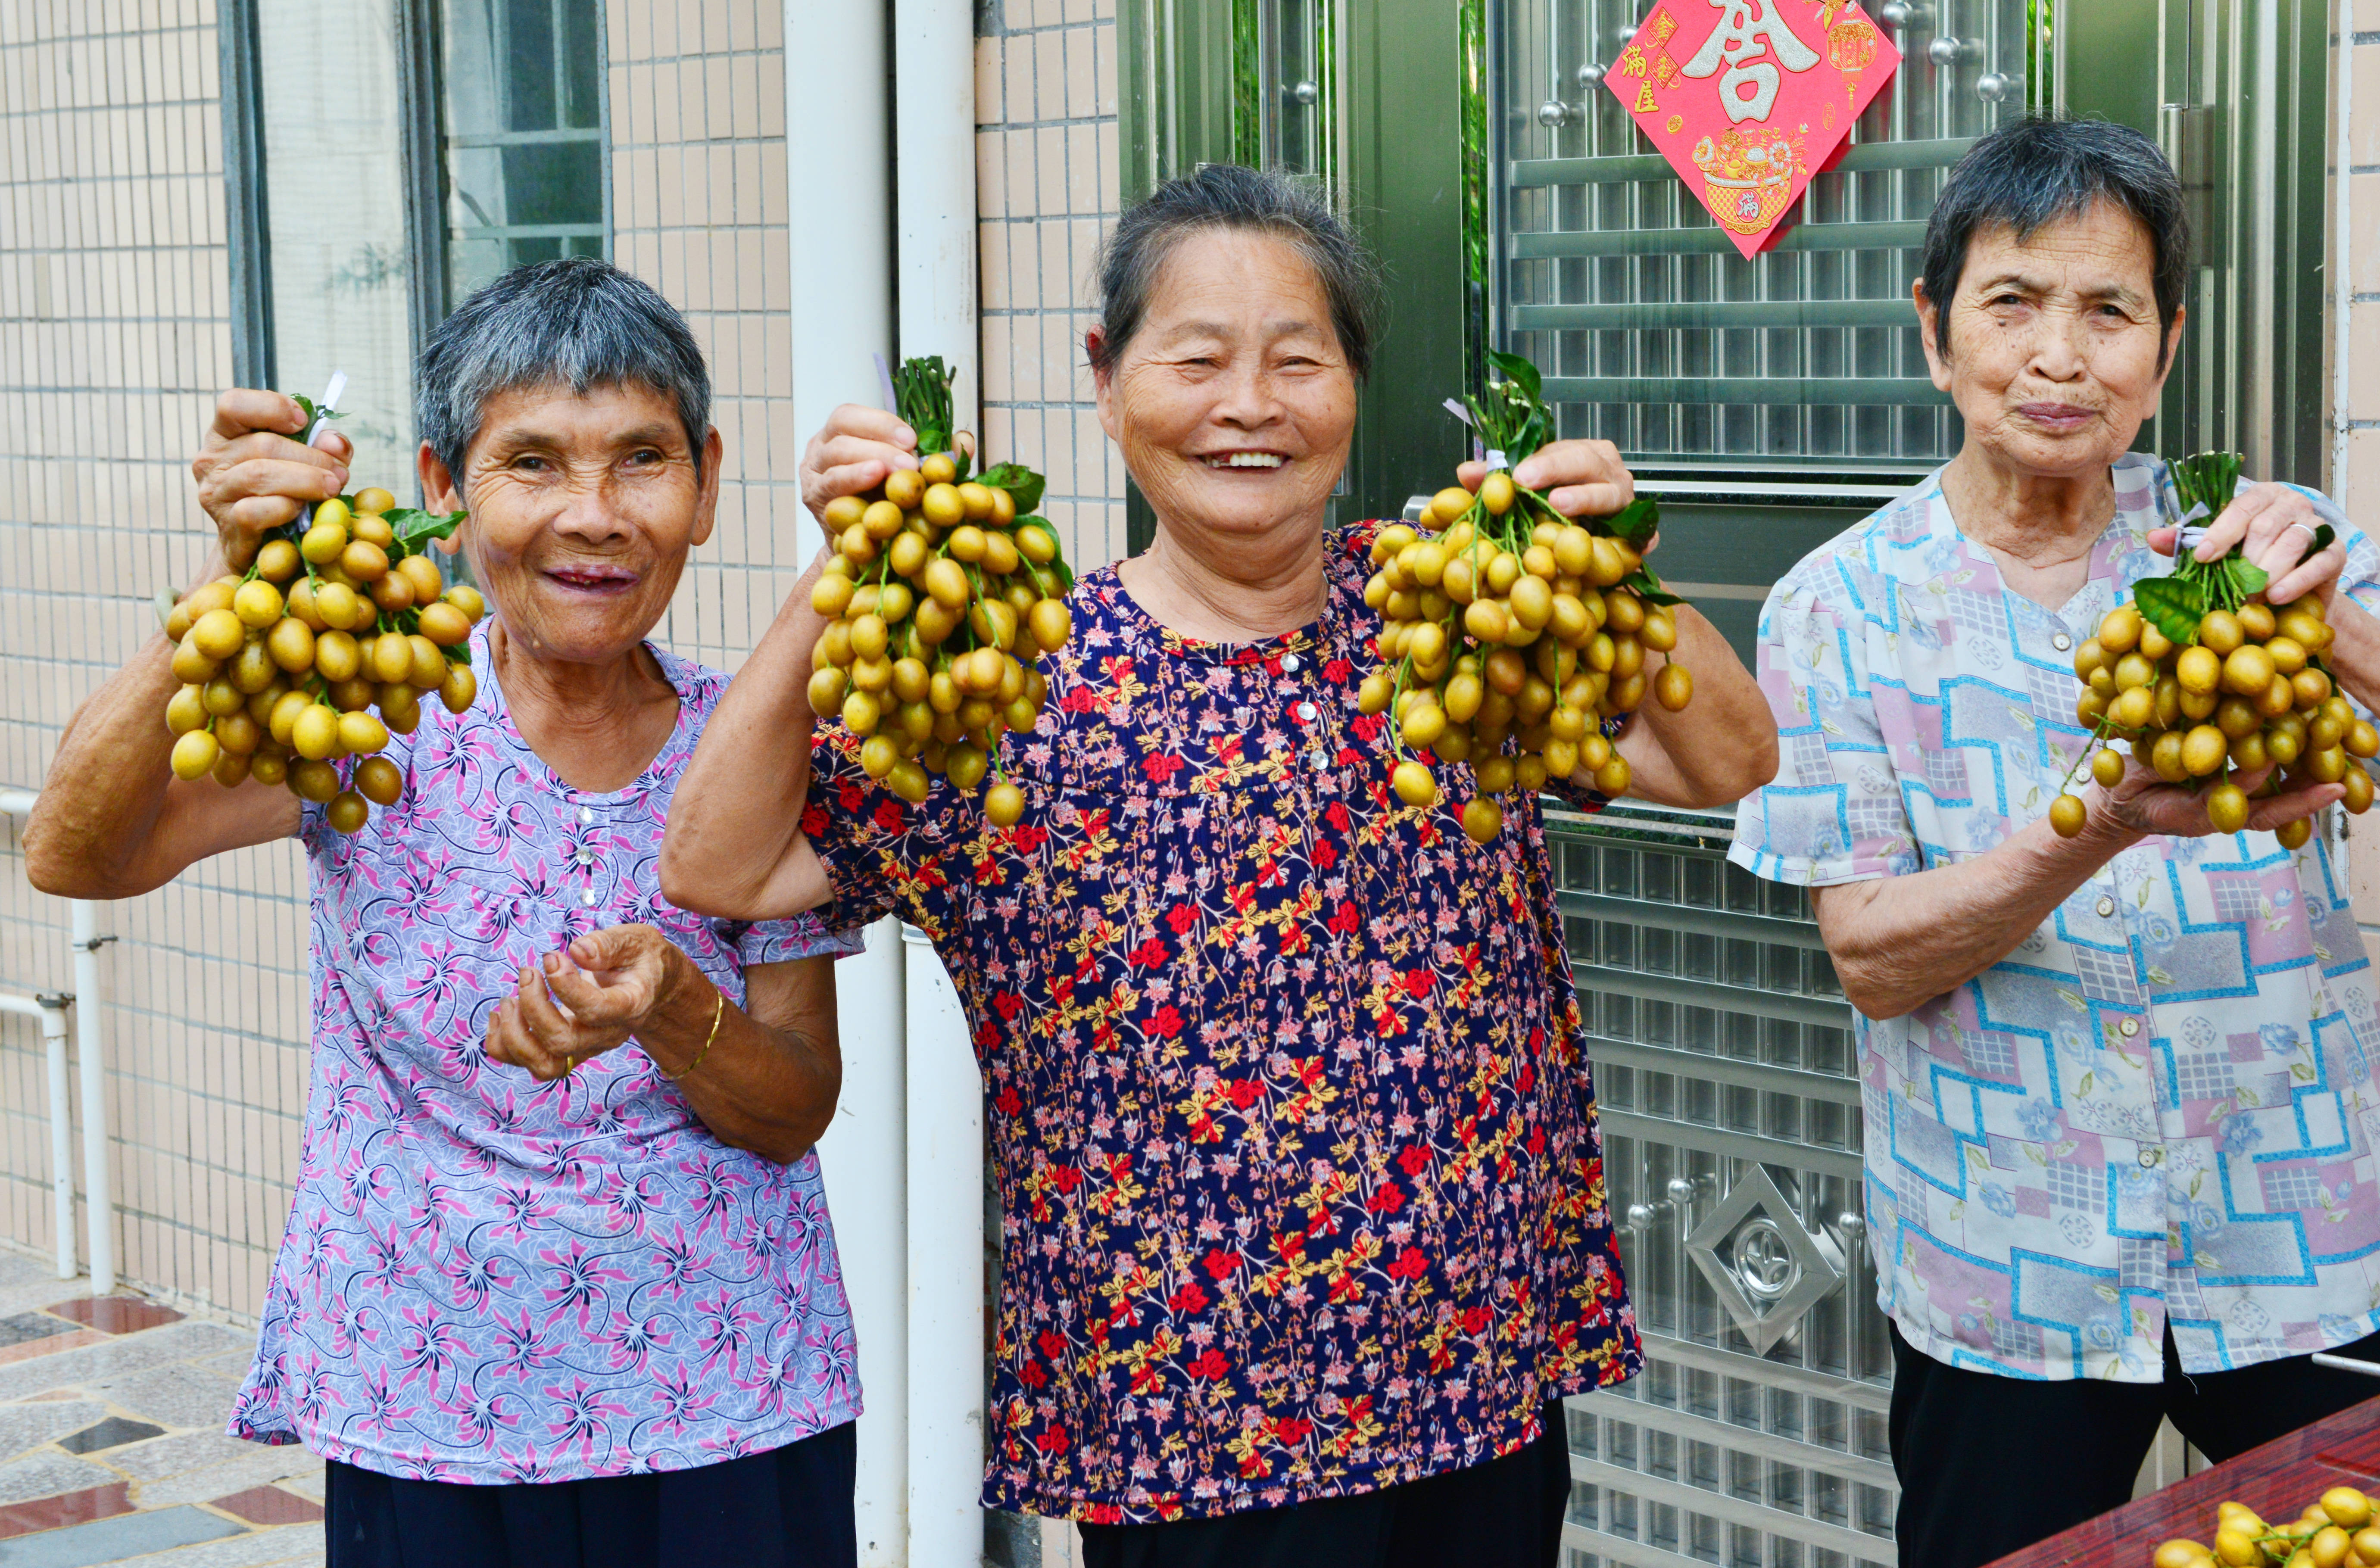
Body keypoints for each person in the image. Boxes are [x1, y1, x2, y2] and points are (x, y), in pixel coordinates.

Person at [658, 164, 1780, 1567]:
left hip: (1472, 1370)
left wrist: (1612, 564)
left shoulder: (1447, 613)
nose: (1250, 404)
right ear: (1106, 376)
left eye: (1297, 360)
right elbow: (719, 866)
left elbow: (1726, 761)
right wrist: (836, 576)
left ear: (1352, 389)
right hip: (1179, 1413)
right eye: (1196, 358)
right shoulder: (1002, 674)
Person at [1727, 116, 2380, 1568]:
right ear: (1935, 331)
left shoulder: (2254, 549)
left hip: (2309, 1240)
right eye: (2013, 303)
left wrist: (2324, 621)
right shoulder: (1832, 608)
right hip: (2010, 1274)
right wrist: (2096, 828)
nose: (2059, 356)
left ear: (2163, 345)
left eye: (2107, 311)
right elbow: (1873, 960)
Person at [25, 260, 864, 1568]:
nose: (593, 516)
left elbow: (793, 1103)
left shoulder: (756, 752)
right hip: (432, 1405)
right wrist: (228, 584)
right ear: (440, 487)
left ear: (703, 480)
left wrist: (673, 1006)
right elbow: (75, 852)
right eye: (532, 463)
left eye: (640, 460)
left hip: (732, 1400)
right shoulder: (377, 710)